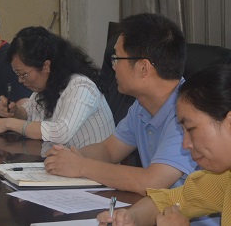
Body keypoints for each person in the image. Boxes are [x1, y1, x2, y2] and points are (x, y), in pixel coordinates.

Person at [44, 14, 207, 199]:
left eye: (116, 58)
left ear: (143, 68)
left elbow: (151, 182)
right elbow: (109, 150)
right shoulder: (141, 106)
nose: (113, 66)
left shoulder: (188, 112)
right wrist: (69, 156)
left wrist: (81, 166)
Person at [96, 63, 231, 225]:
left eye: (191, 129)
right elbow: (170, 200)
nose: (185, 144)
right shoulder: (224, 177)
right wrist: (130, 218)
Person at [0, 26, 114, 148]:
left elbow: (60, 132)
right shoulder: (50, 84)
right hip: (65, 162)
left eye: (23, 74)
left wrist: (7, 123)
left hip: (93, 167)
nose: (20, 80)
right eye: (17, 74)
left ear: (46, 66)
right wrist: (15, 111)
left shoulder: (81, 86)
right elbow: (29, 113)